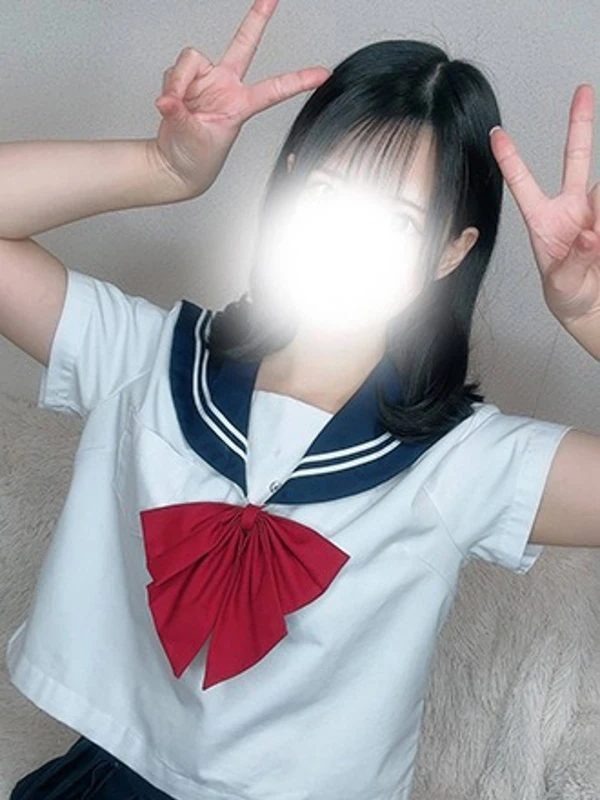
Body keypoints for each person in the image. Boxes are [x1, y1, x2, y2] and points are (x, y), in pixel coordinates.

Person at [3, 0, 596, 797]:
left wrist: (589, 315)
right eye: (326, 189)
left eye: (397, 221)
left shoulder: (464, 462)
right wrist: (163, 167)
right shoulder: (149, 360)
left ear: (451, 253)